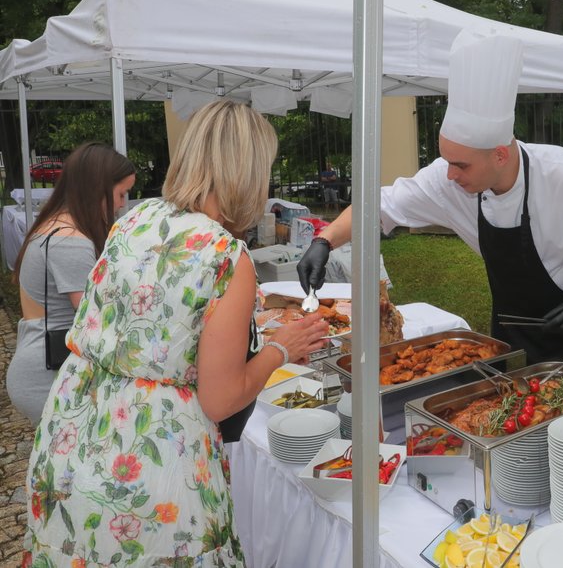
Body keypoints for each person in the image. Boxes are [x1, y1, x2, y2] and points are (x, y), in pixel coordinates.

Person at [22, 101, 330, 566]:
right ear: (248, 172)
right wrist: (282, 348)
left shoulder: (133, 220)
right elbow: (220, 399)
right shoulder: (228, 257)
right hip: (153, 464)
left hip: (74, 436)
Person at [298, 33, 563, 376]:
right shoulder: (448, 180)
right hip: (509, 338)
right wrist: (324, 241)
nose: (450, 175)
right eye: (446, 160)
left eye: (461, 165)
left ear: (499, 154)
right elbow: (378, 206)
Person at [7, 142, 136, 424]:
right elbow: (97, 318)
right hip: (50, 374)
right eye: (121, 193)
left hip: (44, 364)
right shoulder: (70, 241)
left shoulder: (55, 225)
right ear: (97, 189)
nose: (123, 204)